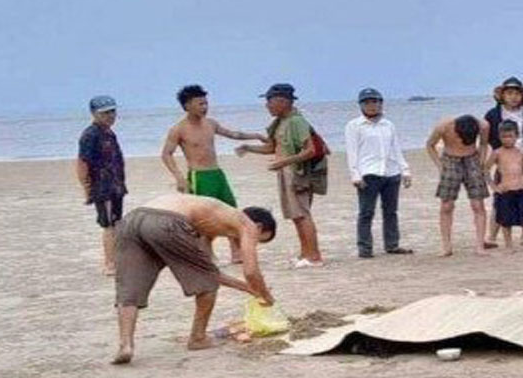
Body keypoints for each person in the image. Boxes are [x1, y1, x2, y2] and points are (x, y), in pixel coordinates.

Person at [111, 193, 277, 364]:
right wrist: (265, 295)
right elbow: (250, 272)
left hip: (132, 220)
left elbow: (209, 272)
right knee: (207, 286)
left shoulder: (209, 222)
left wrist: (249, 289)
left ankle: (125, 345)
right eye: (258, 240)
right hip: (166, 221)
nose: (252, 243)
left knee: (129, 287)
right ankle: (198, 338)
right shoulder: (246, 224)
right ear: (258, 227)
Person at [162, 85, 267, 263]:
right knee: (205, 218)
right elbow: (166, 154)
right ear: (187, 105)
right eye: (200, 103)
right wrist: (179, 178)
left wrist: (256, 136)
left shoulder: (211, 123)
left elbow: (234, 134)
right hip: (199, 176)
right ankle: (207, 255)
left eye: (206, 103)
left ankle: (236, 254)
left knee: (233, 213)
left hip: (217, 174)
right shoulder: (179, 129)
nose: (205, 107)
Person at [235, 83, 325, 268]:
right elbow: (272, 148)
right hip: (286, 171)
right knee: (295, 215)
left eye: (270, 101)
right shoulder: (281, 122)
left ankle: (314, 256)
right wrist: (249, 147)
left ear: (283, 101)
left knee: (302, 214)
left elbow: (311, 149)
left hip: (297, 173)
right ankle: (305, 254)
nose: (267, 105)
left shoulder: (296, 121)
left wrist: (284, 162)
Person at [345, 88, 413, 259]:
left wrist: (405, 170)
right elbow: (352, 152)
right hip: (369, 173)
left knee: (391, 211)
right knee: (366, 212)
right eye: (367, 102)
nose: (372, 106)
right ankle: (365, 248)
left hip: (391, 172)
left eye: (375, 102)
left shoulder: (388, 125)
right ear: (361, 105)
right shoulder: (354, 126)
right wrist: (355, 175)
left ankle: (392, 244)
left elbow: (396, 149)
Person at [483, 77, 523, 248]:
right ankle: (492, 237)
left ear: (522, 96)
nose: (513, 97)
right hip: (503, 161)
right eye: (509, 93)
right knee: (500, 199)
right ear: (502, 95)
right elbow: (485, 140)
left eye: (517, 93)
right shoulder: (492, 115)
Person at [425, 114, 490, 256]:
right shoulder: (443, 127)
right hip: (450, 159)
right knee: (446, 205)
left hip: (472, 158)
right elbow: (430, 145)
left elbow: (484, 144)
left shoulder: (483, 126)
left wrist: (482, 161)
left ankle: (480, 246)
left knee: (478, 204)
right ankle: (446, 246)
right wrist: (440, 166)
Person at [76, 95, 126, 276]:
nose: (110, 116)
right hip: (103, 188)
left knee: (117, 223)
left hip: (116, 186)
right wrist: (87, 188)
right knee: (109, 225)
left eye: (113, 111)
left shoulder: (109, 132)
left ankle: (118, 260)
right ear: (94, 114)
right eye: (105, 113)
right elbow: (82, 163)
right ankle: (109, 263)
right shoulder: (91, 134)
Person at [485, 120, 523, 252]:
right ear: (499, 137)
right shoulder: (497, 153)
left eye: (510, 136)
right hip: (505, 191)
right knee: (505, 220)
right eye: (503, 137)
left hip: (521, 190)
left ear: (516, 136)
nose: (507, 140)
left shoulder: (521, 152)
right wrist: (494, 187)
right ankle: (509, 245)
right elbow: (485, 170)